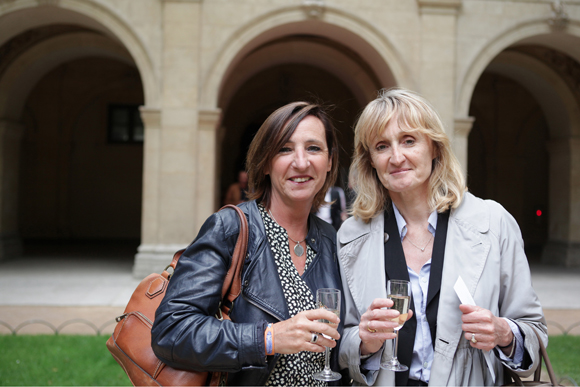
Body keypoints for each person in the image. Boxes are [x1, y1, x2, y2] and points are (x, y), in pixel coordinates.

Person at [337, 88, 547, 386]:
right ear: (370, 159)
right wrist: (363, 340)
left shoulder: (493, 222)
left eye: (409, 141)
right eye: (382, 146)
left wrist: (502, 333)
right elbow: (340, 344)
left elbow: (534, 335)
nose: (397, 157)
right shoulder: (351, 235)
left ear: (434, 147)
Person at [152, 101, 345, 386]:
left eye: (314, 148)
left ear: (329, 161)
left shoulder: (332, 239)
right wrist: (267, 339)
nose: (301, 162)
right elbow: (172, 331)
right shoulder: (230, 228)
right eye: (285, 149)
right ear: (266, 162)